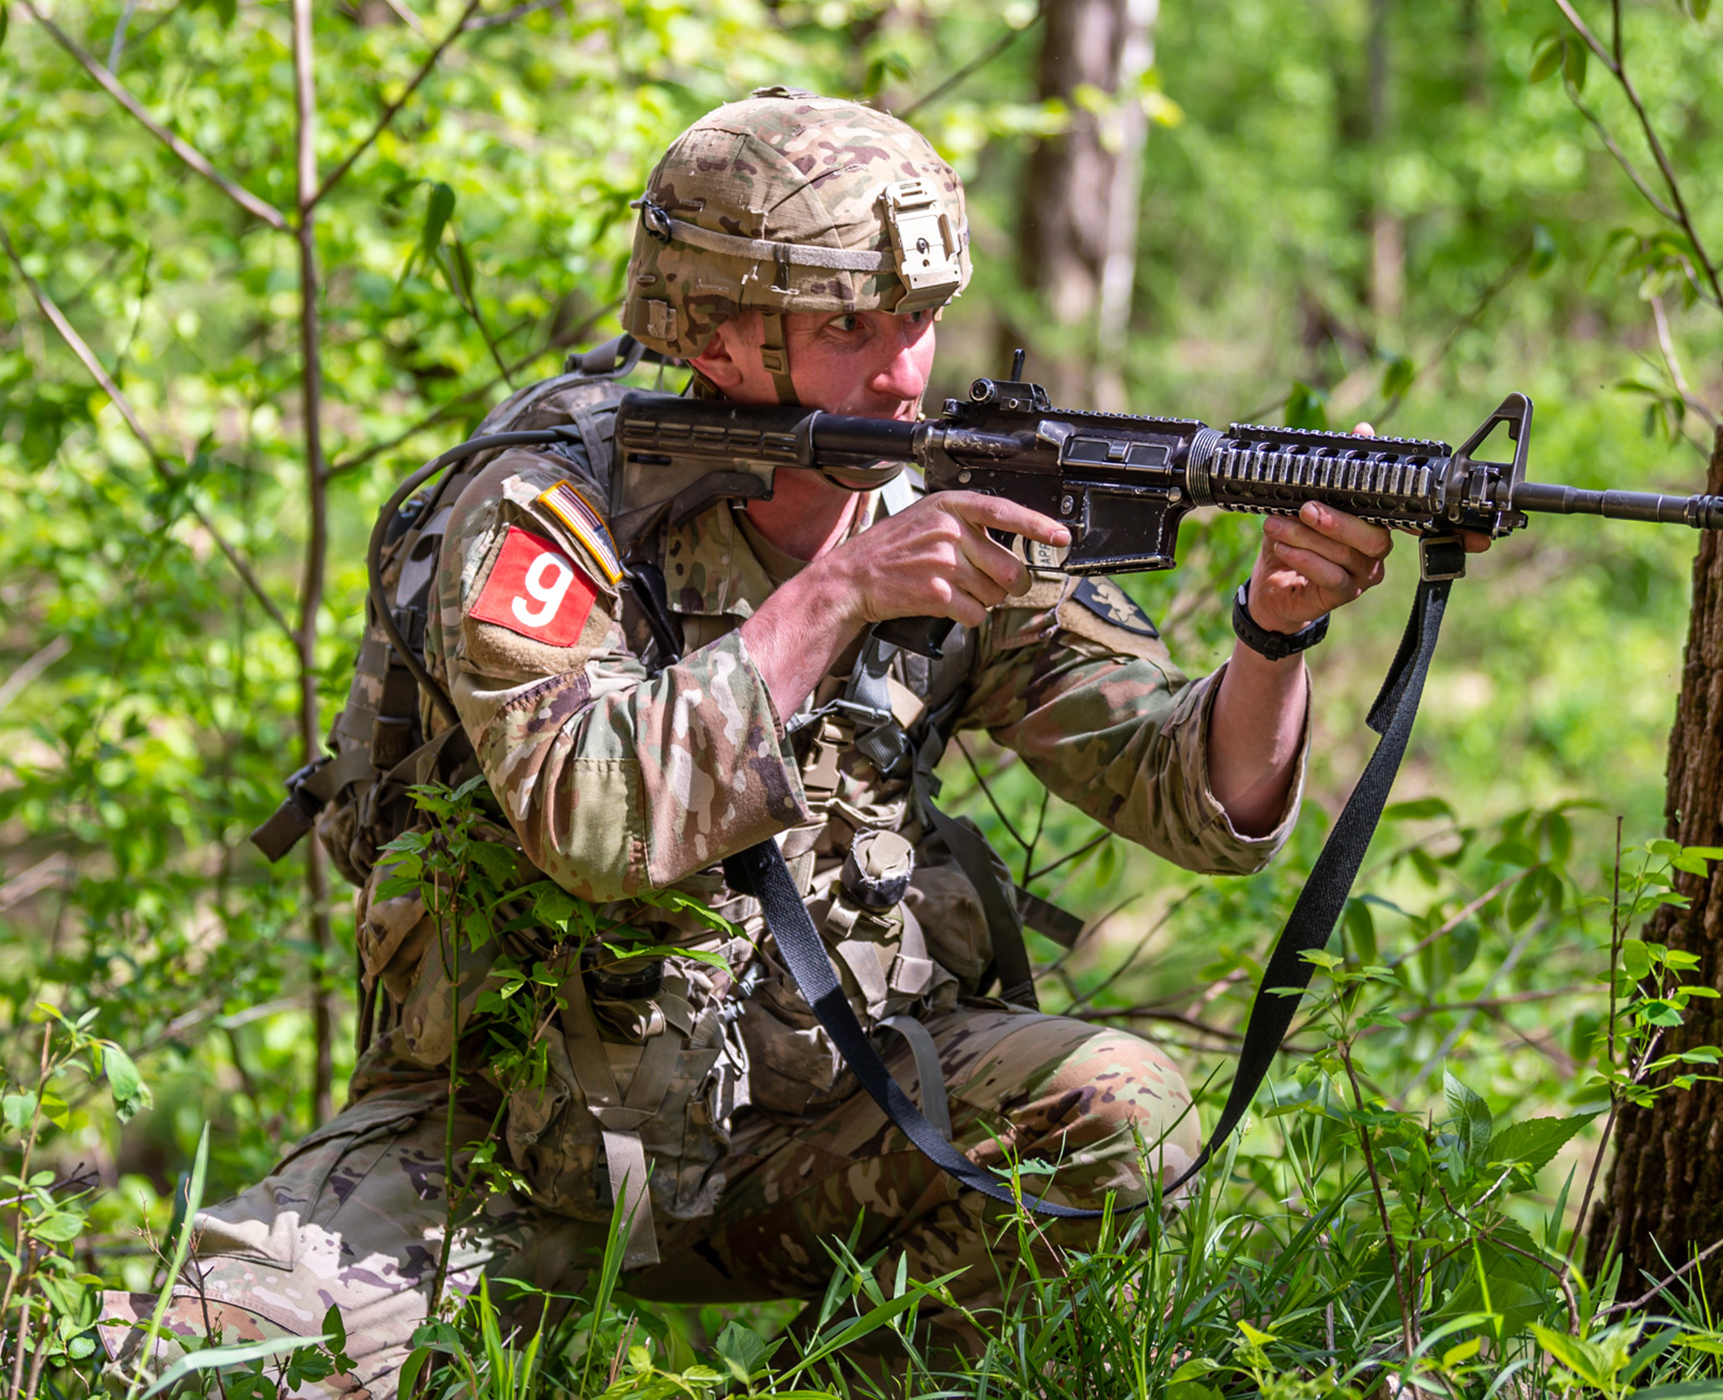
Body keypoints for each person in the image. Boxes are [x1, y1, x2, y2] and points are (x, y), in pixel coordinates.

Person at [102, 88, 1475, 1397]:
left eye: (923, 315)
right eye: (858, 322)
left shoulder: (937, 495)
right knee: (195, 1363)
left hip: (815, 1132)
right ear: (716, 331)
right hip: (503, 1141)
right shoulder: (549, 508)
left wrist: (1275, 630)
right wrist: (835, 600)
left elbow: (1194, 800)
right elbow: (589, 822)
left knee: (1121, 1110)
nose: (907, 363)